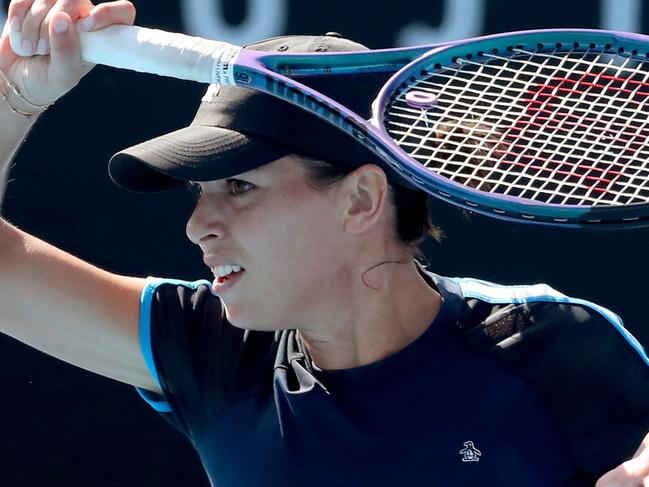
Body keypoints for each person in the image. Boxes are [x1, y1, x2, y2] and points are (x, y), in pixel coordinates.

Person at [0, 1, 648, 485]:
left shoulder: (556, 349)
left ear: (360, 200)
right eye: (199, 192)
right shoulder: (209, 353)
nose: (199, 226)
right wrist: (13, 98)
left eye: (239, 187)